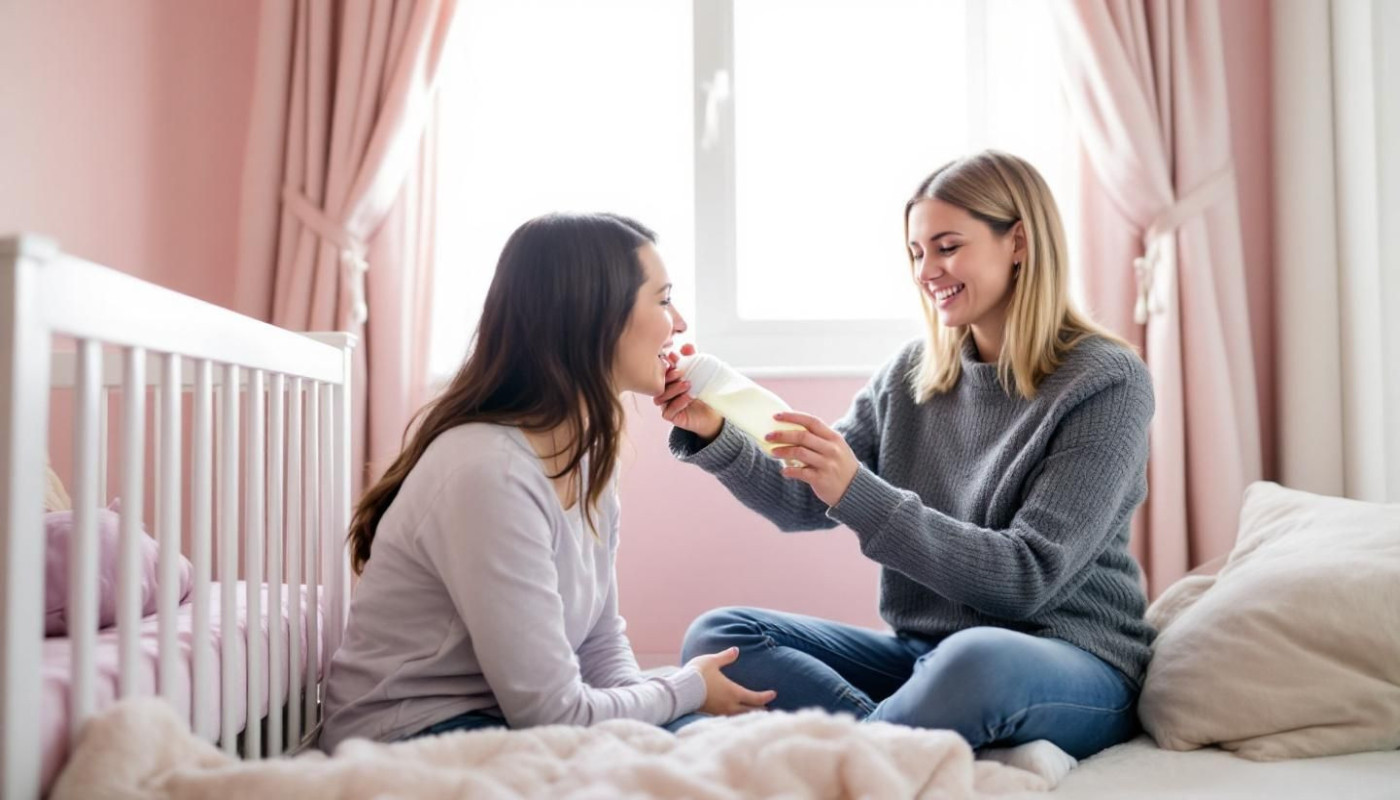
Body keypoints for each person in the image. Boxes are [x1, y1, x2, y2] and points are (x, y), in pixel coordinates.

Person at [655, 150, 1155, 760]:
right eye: (916, 253)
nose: (927, 271)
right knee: (721, 636)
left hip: (1070, 660)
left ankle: (839, 758)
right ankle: (884, 743)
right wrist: (715, 434)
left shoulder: (1106, 381)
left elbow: (1026, 580)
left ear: (1019, 242)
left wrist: (858, 490)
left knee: (976, 662)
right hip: (928, 656)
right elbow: (801, 503)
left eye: (947, 247)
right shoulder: (911, 375)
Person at [321, 212, 775, 752]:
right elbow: (552, 712)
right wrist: (686, 688)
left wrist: (656, 723)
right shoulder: (488, 471)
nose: (678, 323)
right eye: (663, 300)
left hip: (502, 721)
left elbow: (600, 644)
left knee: (704, 748)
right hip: (407, 737)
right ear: (595, 317)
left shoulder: (584, 458)